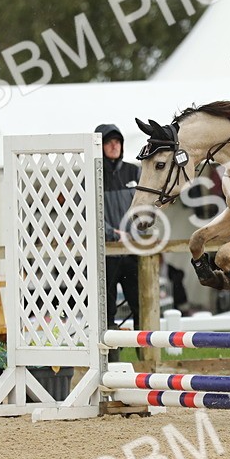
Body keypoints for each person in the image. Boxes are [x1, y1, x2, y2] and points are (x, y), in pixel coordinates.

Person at [96, 123, 142, 336]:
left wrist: (132, 233)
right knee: (107, 307)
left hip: (133, 250)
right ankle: (110, 357)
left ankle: (146, 353)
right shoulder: (91, 176)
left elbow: (146, 208)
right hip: (106, 252)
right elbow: (87, 212)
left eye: (117, 142)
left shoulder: (135, 171)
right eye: (108, 142)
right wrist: (112, 233)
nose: (114, 146)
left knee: (140, 302)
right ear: (100, 145)